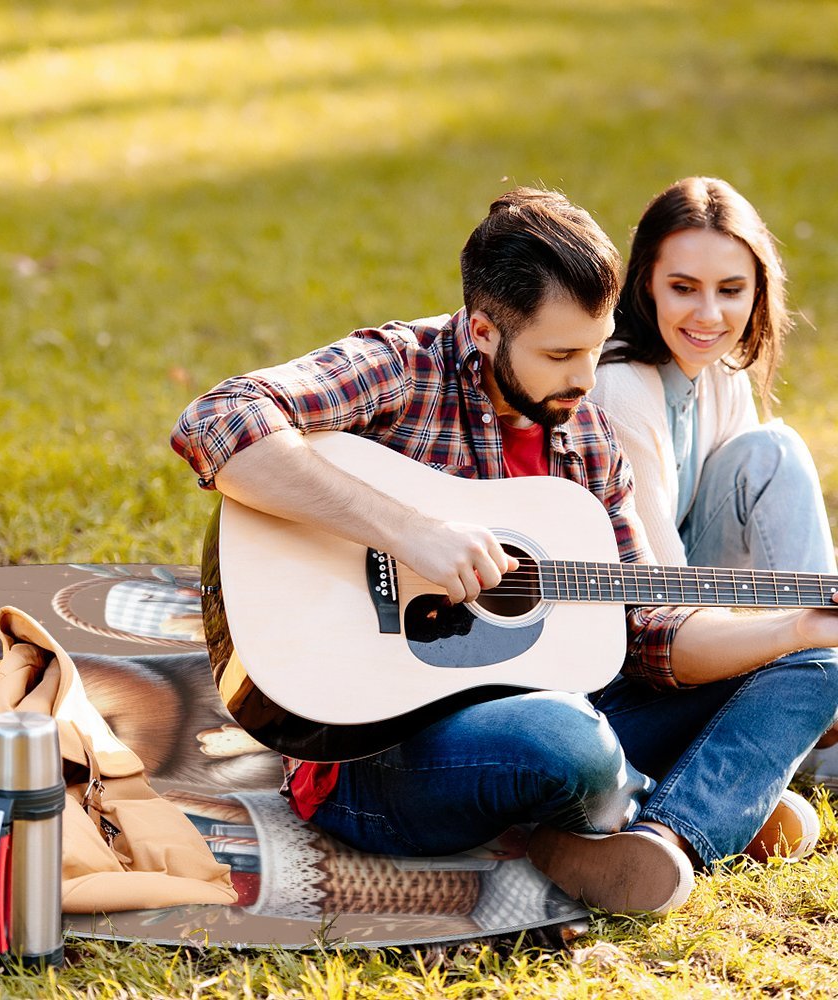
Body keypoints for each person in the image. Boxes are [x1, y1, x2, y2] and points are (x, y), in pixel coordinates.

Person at [171, 188, 838, 916]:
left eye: (595, 346)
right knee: (566, 742)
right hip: (377, 756)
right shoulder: (402, 367)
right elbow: (218, 419)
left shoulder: (585, 435)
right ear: (484, 331)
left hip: (564, 709)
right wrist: (406, 530)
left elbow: (648, 629)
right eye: (560, 354)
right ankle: (693, 796)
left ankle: (667, 836)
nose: (586, 380)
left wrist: (794, 628)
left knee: (818, 664)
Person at [591, 176, 838, 790]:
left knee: (769, 451)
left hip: (698, 609)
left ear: (758, 292)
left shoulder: (720, 370)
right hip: (634, 646)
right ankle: (815, 715)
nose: (709, 315)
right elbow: (662, 602)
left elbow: (759, 537)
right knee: (775, 451)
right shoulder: (621, 385)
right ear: (645, 281)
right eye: (683, 288)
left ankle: (817, 694)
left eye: (731, 290)